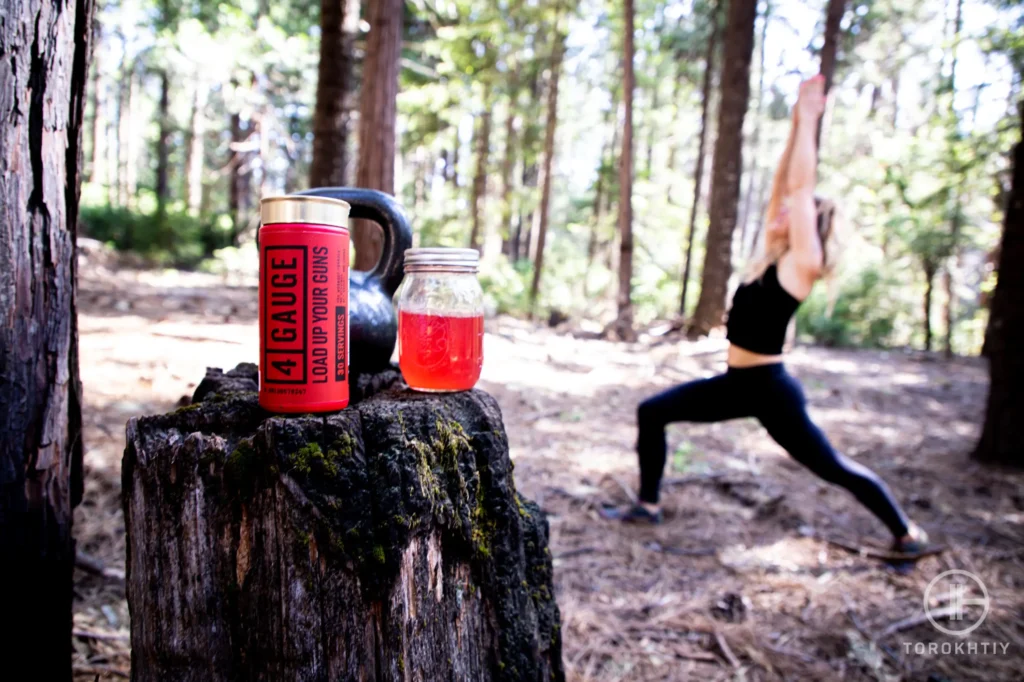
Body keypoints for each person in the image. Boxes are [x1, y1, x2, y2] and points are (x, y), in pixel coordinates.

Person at [602, 75, 927, 555]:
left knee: (833, 467)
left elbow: (799, 188)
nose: (778, 212)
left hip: (772, 392)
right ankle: (648, 506)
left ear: (807, 228)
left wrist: (812, 121)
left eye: (793, 214)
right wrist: (796, 120)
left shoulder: (802, 268)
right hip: (737, 383)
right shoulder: (771, 261)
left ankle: (906, 534)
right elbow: (785, 186)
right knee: (653, 412)